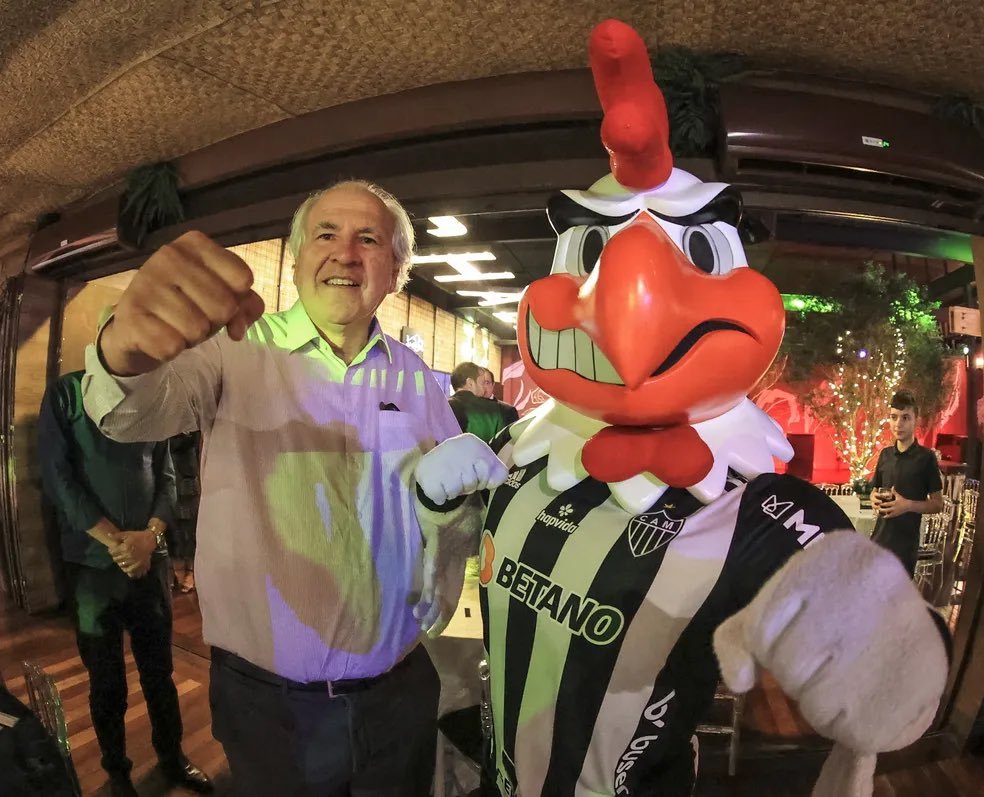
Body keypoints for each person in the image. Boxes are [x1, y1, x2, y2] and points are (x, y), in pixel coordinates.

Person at [82, 180, 473, 796]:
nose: (345, 252)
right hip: (271, 709)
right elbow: (130, 414)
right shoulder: (233, 351)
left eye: (369, 239)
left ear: (396, 271)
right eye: (326, 233)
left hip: (399, 693)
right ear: (295, 261)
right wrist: (124, 348)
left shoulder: (419, 379)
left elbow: (450, 510)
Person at [38, 369, 212, 797]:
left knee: (160, 671)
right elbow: (58, 478)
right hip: (92, 566)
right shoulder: (66, 394)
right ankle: (117, 773)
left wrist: (149, 538)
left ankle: (171, 757)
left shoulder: (151, 395)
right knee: (106, 679)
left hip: (150, 560)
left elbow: (167, 479)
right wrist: (118, 542)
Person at [871, 389, 944, 576]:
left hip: (904, 549)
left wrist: (908, 505)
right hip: (878, 542)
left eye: (905, 418)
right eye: (893, 417)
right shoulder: (885, 455)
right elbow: (874, 490)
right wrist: (874, 498)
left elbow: (938, 504)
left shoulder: (926, 458)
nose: (898, 424)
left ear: (915, 420)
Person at [448, 362, 517, 443]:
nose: (484, 388)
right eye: (481, 383)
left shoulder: (444, 407)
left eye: (487, 383)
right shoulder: (498, 410)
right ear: (470, 383)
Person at [168, 431, 201, 592]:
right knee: (169, 525)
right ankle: (173, 570)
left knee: (189, 525)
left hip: (185, 471)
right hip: (164, 469)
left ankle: (190, 571)